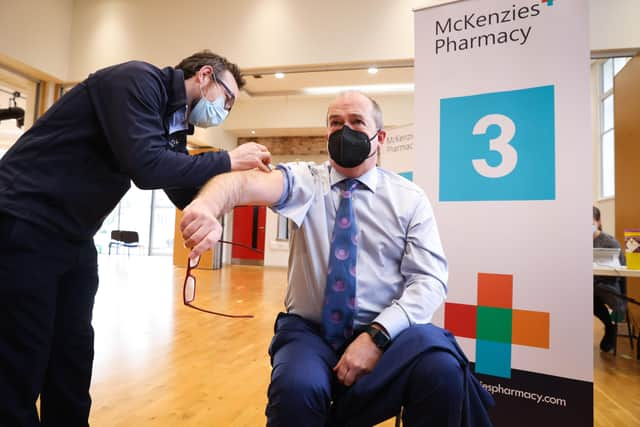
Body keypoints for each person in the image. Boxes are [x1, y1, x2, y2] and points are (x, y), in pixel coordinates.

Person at [181, 91, 493, 426]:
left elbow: (429, 280)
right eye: (335, 123)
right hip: (311, 332)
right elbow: (244, 183)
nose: (345, 131)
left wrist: (377, 335)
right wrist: (206, 206)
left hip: (389, 331)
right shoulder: (305, 182)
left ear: (380, 137)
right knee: (296, 388)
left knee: (443, 370)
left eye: (357, 122)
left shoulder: (409, 199)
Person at [0, 50, 272, 427]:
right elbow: (146, 167)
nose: (223, 110)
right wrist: (228, 160)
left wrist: (228, 197)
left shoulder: (173, 123)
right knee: (22, 354)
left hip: (74, 235)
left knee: (73, 354)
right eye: (226, 99)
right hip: (25, 221)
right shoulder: (137, 82)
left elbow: (179, 188)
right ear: (205, 75)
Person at [592, 206, 626, 353]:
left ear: (598, 222)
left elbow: (622, 269)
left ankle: (610, 329)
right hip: (590, 288)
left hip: (609, 287)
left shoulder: (609, 242)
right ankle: (609, 327)